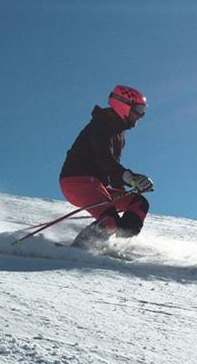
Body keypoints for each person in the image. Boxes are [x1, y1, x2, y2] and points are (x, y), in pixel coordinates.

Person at [59, 85, 154, 248]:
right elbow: (104, 159)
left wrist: (126, 187)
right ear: (123, 104)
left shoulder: (119, 133)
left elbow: (111, 169)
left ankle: (120, 246)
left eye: (143, 111)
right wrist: (131, 179)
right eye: (138, 110)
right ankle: (78, 249)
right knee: (110, 222)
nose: (141, 116)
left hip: (97, 185)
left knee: (138, 203)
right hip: (77, 181)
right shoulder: (101, 125)